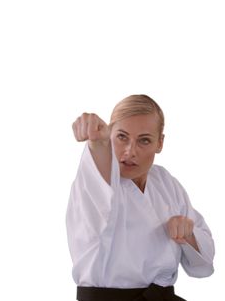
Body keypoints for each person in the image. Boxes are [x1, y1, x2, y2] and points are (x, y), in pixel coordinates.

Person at [66, 94, 215, 301]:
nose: (130, 151)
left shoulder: (165, 182)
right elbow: (99, 170)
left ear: (160, 143)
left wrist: (187, 233)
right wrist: (98, 142)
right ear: (110, 135)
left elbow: (205, 263)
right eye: (121, 137)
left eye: (144, 140)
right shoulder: (98, 181)